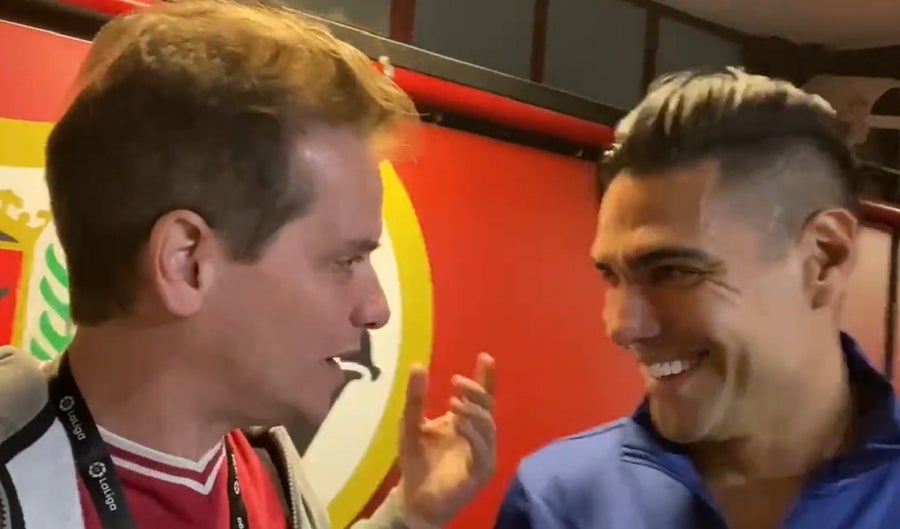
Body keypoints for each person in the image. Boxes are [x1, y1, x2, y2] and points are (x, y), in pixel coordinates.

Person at [0, 1, 497, 528]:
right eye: (344, 260)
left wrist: (410, 516)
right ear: (186, 262)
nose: (376, 310)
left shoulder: (269, 468)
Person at [494, 67, 900, 529]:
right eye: (612, 276)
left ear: (825, 258)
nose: (621, 326)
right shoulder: (559, 502)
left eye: (673, 272)